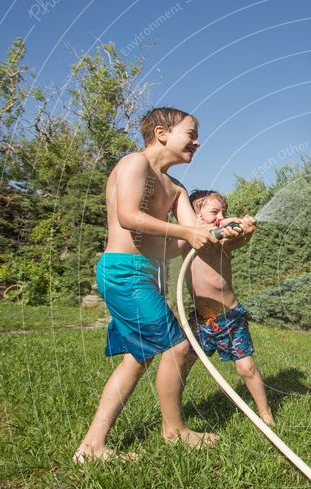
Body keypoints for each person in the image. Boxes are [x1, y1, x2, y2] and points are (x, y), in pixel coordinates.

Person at [73, 108, 241, 463]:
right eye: (191, 134)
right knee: (179, 347)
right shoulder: (135, 164)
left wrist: (224, 230)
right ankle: (174, 431)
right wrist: (189, 232)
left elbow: (189, 240)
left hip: (146, 276)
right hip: (122, 271)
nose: (197, 142)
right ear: (162, 133)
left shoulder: (176, 188)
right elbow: (128, 216)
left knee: (139, 358)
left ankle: (92, 447)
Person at [186, 190, 275, 427]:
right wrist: (213, 226)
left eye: (222, 211)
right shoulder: (186, 241)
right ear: (193, 216)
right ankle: (176, 414)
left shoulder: (222, 242)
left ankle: (265, 413)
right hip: (201, 320)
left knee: (246, 368)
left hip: (230, 317)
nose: (220, 216)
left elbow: (237, 239)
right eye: (214, 212)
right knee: (181, 364)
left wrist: (245, 230)